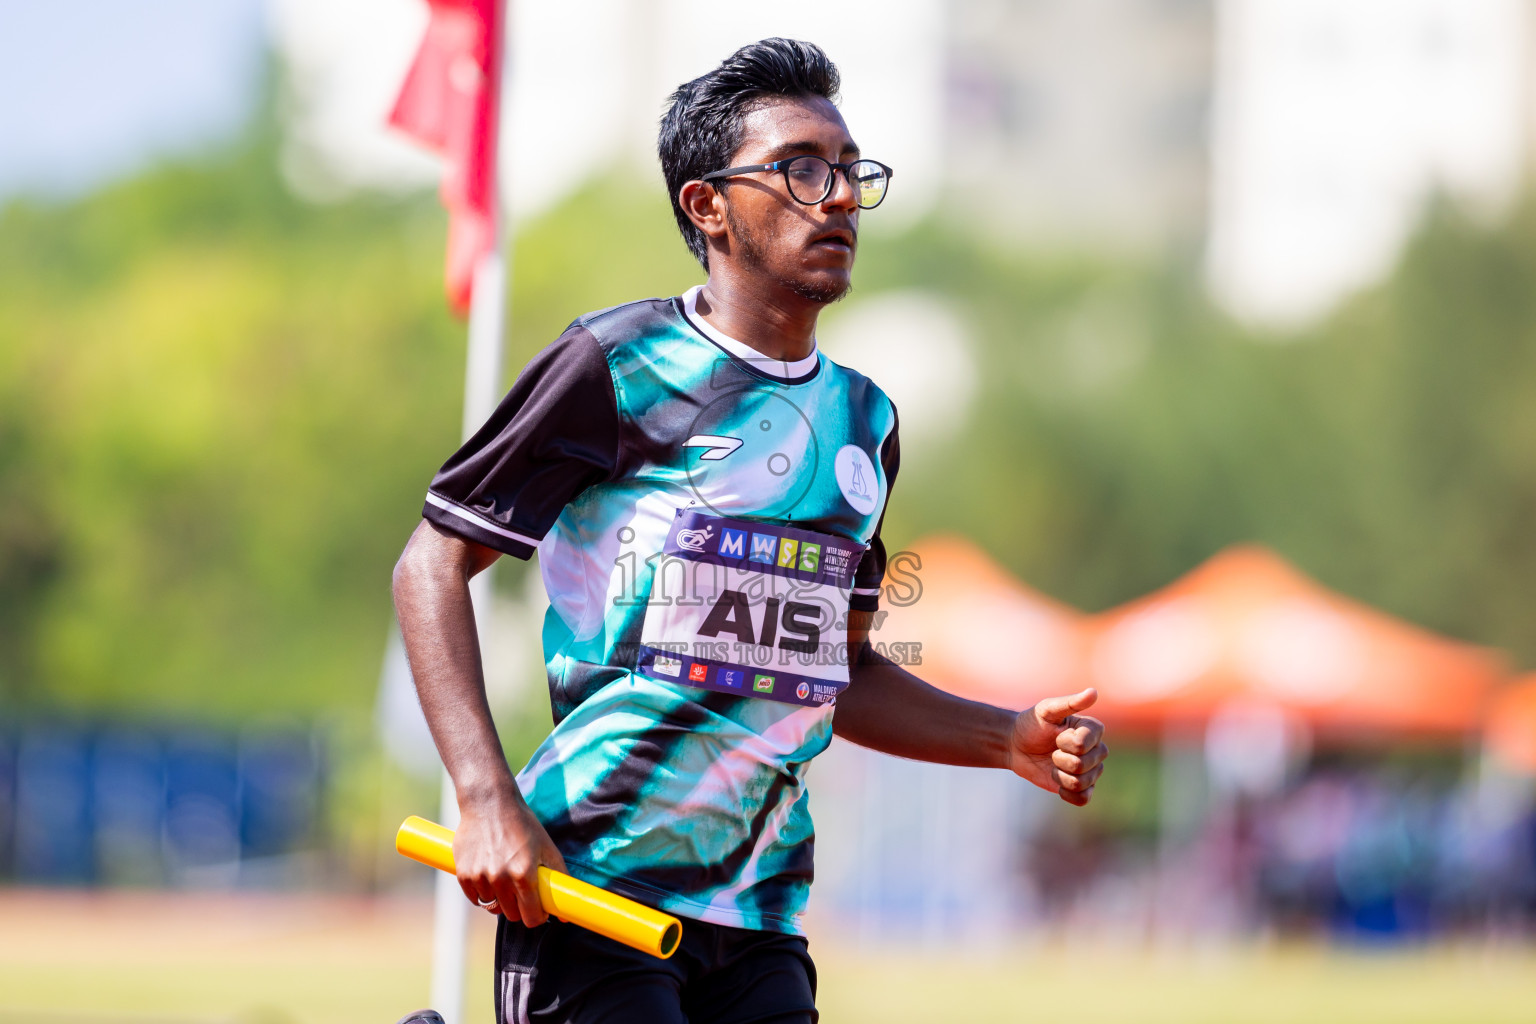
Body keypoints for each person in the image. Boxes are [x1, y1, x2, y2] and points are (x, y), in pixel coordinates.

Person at [391, 37, 1108, 1024]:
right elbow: (430, 563)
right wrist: (484, 795)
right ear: (708, 206)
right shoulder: (616, 365)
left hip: (762, 910)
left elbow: (833, 671)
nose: (840, 196)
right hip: (596, 883)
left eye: (852, 171)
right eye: (800, 168)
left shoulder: (866, 423)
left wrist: (1004, 736)